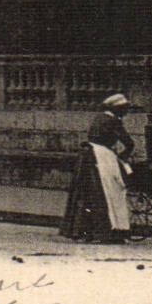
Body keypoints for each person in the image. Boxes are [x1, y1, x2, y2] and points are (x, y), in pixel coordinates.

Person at [59, 93, 137, 243]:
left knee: (88, 194)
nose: (126, 112)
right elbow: (129, 143)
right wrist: (122, 158)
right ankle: (111, 231)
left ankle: (85, 231)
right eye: (125, 109)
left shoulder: (99, 118)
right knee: (111, 192)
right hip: (103, 158)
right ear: (117, 109)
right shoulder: (113, 122)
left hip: (89, 158)